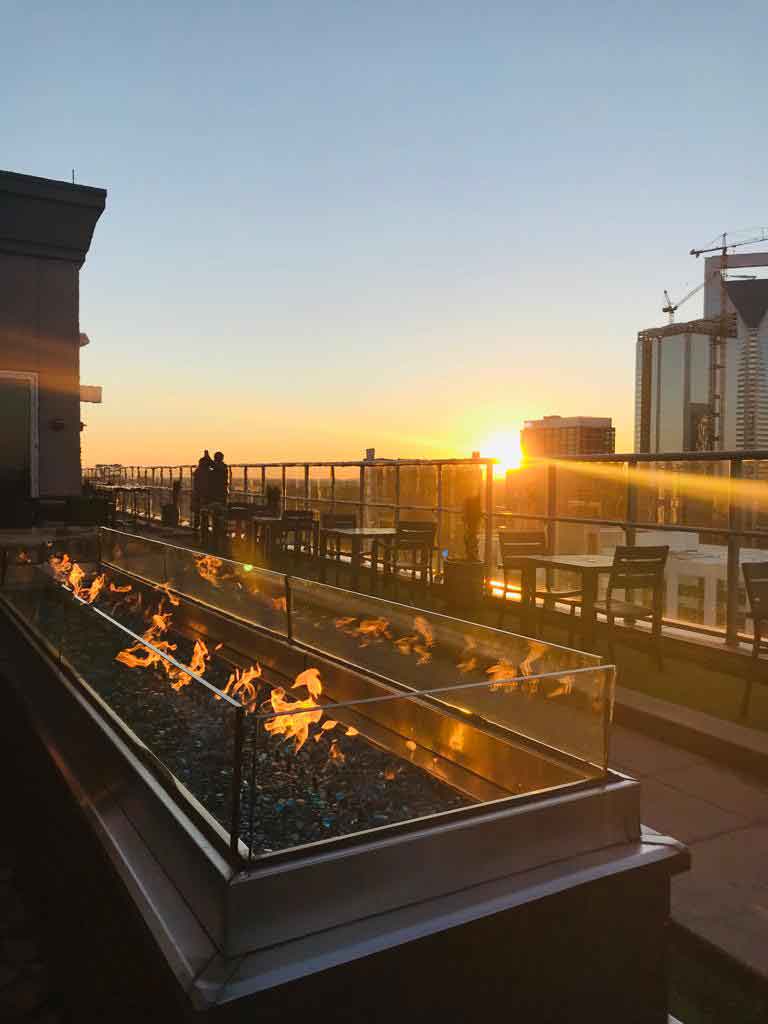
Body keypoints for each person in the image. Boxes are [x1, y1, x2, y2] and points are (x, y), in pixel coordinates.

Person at [191, 450, 213, 529]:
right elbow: (214, 466)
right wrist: (208, 458)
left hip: (197, 493)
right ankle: (204, 527)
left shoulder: (197, 471)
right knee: (205, 511)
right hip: (205, 494)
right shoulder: (208, 472)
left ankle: (196, 526)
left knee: (197, 511)